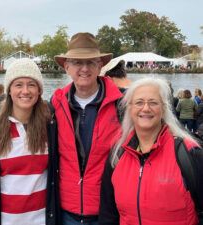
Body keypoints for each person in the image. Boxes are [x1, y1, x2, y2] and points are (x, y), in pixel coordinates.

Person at [99, 77, 203, 225]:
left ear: (164, 109)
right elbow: (108, 213)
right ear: (129, 108)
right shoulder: (117, 155)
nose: (146, 108)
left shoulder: (189, 154)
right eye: (139, 102)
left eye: (153, 102)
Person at [50, 32, 122, 225]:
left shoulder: (121, 105)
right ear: (66, 67)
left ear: (100, 66)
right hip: (66, 211)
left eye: (91, 62)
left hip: (108, 210)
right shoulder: (55, 104)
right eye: (77, 62)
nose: (84, 68)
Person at [0, 58, 59, 225]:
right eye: (18, 85)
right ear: (9, 90)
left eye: (31, 84)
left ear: (39, 91)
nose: (25, 91)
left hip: (42, 220)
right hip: (6, 220)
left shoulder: (50, 125)